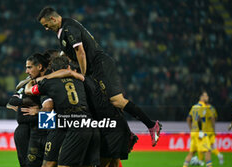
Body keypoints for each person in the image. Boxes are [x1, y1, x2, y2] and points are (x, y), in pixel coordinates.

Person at [37, 7, 161, 147]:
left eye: (46, 25)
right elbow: (69, 55)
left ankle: (151, 125)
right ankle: (125, 132)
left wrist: (82, 76)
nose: (46, 29)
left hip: (100, 66)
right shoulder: (63, 32)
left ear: (53, 19)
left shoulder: (68, 28)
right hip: (93, 69)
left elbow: (81, 53)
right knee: (99, 101)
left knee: (116, 100)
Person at [25, 56, 100, 167]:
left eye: (29, 67)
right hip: (91, 125)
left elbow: (29, 91)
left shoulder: (48, 83)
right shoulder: (81, 81)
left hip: (68, 126)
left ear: (51, 70)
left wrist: (38, 80)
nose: (27, 71)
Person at [180, 91, 220, 167]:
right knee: (208, 151)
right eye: (206, 96)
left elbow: (188, 119)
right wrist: (201, 131)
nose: (207, 97)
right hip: (200, 133)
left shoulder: (194, 106)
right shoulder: (204, 107)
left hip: (194, 133)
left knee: (191, 153)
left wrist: (191, 129)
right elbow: (200, 119)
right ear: (201, 97)